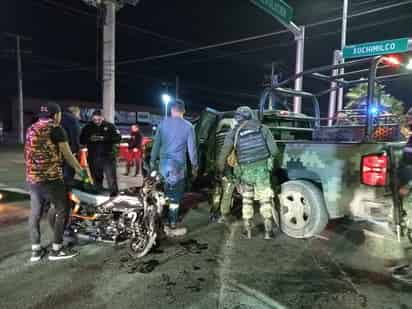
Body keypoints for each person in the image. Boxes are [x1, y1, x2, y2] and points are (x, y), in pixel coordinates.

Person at [25, 102, 89, 262]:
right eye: (59, 114)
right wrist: (82, 172)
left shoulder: (31, 129)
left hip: (33, 179)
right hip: (51, 179)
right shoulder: (56, 129)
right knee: (63, 210)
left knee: (35, 214)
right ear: (56, 115)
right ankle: (57, 249)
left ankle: (36, 250)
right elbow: (68, 155)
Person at [217, 106, 279, 239]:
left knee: (247, 200)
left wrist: (221, 169)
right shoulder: (263, 128)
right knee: (265, 199)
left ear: (238, 117)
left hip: (244, 172)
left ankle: (248, 230)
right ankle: (268, 231)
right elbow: (274, 151)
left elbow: (224, 154)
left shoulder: (234, 132)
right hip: (262, 170)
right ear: (251, 116)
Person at [150, 99, 198, 237]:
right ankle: (172, 224)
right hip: (178, 168)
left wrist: (152, 161)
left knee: (160, 194)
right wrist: (195, 166)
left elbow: (156, 145)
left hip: (163, 167)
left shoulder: (162, 124)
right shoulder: (188, 126)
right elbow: (192, 150)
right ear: (184, 111)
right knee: (174, 199)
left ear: (172, 110)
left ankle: (156, 222)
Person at [80, 110, 121, 196]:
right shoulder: (87, 127)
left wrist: (104, 138)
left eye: (99, 119)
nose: (97, 121)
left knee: (111, 179)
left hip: (108, 157)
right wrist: (90, 139)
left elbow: (118, 138)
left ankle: (114, 195)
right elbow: (81, 140)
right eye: (95, 119)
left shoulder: (110, 126)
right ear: (92, 118)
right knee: (96, 179)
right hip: (93, 157)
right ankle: (98, 194)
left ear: (102, 118)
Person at [61, 106, 81, 185]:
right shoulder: (72, 119)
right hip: (69, 151)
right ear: (76, 113)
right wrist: (76, 150)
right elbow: (75, 137)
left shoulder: (57, 118)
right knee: (68, 174)